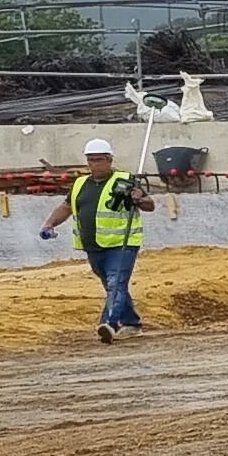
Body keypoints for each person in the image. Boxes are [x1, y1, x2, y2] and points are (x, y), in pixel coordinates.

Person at [35, 136, 155, 344]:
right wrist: (50, 224)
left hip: (122, 244)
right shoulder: (81, 184)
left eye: (99, 160)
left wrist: (139, 198)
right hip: (93, 245)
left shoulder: (125, 181)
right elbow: (67, 207)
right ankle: (132, 323)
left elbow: (149, 205)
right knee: (113, 286)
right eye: (91, 160)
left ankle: (109, 323)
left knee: (116, 282)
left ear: (109, 160)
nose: (95, 164)